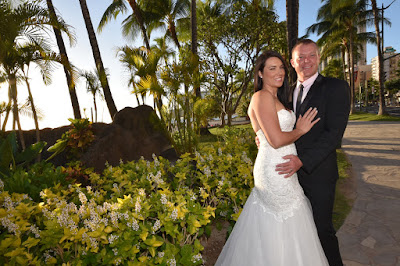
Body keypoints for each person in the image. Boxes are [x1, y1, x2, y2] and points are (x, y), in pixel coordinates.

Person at [215, 50, 329, 266]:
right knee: (287, 221)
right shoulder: (262, 96)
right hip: (277, 172)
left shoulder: (272, 98)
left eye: (282, 68)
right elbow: (276, 140)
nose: (280, 73)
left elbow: (260, 133)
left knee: (278, 224)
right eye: (272, 68)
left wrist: (261, 138)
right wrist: (300, 130)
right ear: (260, 73)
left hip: (276, 167)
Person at [271, 39, 350, 266]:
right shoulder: (286, 93)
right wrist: (264, 138)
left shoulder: (335, 87)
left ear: (318, 57)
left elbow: (334, 134)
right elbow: (281, 127)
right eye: (300, 58)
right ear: (292, 63)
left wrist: (302, 161)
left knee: (322, 230)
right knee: (297, 231)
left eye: (311, 56)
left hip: (319, 174)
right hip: (289, 175)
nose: (306, 62)